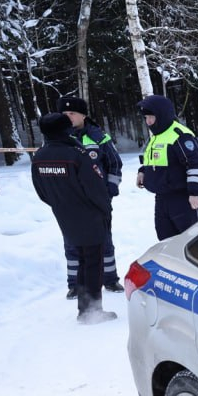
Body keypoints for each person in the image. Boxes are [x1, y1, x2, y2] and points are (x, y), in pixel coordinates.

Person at [31, 112, 116, 324]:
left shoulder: (39, 156)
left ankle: (85, 308)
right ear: (65, 130)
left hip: (64, 214)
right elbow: (95, 188)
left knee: (81, 260)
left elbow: (41, 191)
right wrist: (105, 210)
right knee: (93, 262)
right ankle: (91, 312)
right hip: (90, 214)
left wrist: (60, 204)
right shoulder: (76, 154)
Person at [57, 94, 123, 297]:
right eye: (64, 113)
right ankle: (75, 285)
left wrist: (110, 189)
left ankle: (110, 280)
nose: (68, 117)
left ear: (83, 115)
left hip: (97, 202)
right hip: (69, 203)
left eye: (72, 113)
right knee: (72, 244)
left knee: (103, 241)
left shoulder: (98, 137)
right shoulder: (57, 139)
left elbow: (114, 163)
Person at [136, 94, 198, 239]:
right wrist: (143, 172)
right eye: (146, 118)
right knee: (165, 240)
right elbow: (153, 159)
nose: (148, 122)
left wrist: (194, 192)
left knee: (191, 241)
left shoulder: (180, 135)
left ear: (162, 115)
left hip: (183, 198)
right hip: (162, 198)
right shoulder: (157, 136)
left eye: (151, 117)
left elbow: (195, 164)